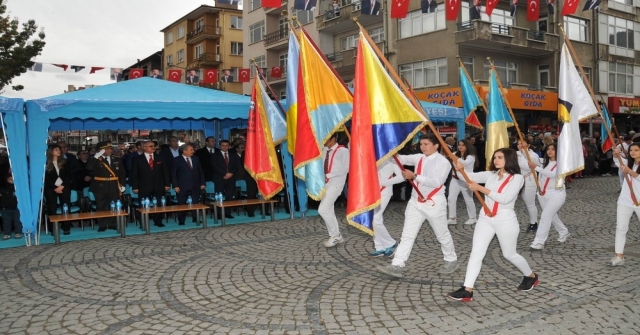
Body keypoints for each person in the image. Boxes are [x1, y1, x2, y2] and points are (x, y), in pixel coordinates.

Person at [447, 148, 538, 302]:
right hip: (485, 218)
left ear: (509, 159)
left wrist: (480, 188)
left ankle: (531, 276)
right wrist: (459, 168)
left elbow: (505, 198)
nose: (496, 160)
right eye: (495, 157)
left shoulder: (517, 178)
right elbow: (469, 177)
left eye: (500, 157)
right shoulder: (491, 175)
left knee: (509, 254)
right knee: (476, 253)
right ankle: (467, 289)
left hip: (505, 220)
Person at [377, 134, 458, 278]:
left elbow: (436, 182)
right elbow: (401, 159)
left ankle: (451, 259)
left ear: (436, 146)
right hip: (415, 201)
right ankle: (397, 264)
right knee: (407, 234)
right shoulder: (419, 157)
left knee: (442, 234)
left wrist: (414, 176)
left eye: (426, 144)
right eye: (421, 144)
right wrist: (389, 150)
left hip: (434, 202)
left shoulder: (443, 162)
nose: (423, 147)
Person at [528, 143, 570, 249]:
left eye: (553, 149)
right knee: (552, 216)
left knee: (545, 216)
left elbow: (551, 174)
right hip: (542, 193)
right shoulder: (544, 163)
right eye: (548, 149)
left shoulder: (562, 164)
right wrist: (525, 148)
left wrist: (536, 168)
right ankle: (563, 231)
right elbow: (529, 159)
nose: (549, 151)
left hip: (557, 194)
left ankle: (539, 242)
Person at [85, 141, 126, 232]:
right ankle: (102, 225)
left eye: (110, 148)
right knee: (101, 206)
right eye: (107, 149)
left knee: (114, 205)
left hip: (113, 185)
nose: (110, 150)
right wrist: (96, 156)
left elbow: (122, 173)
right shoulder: (94, 159)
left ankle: (113, 223)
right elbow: (89, 168)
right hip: (100, 186)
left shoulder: (116, 159)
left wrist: (122, 184)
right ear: (101, 150)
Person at [610, 143, 640, 266]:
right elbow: (619, 161)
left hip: (639, 201)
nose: (633, 152)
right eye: (631, 150)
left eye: (636, 150)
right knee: (621, 228)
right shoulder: (628, 163)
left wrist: (630, 172)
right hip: (625, 200)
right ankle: (619, 256)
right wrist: (616, 153)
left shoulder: (630, 167)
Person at [368, 158, 404, 257]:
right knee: (375, 219)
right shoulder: (372, 155)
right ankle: (380, 247)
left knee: (375, 219)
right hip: (371, 192)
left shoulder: (392, 158)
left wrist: (384, 183)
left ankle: (391, 243)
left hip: (384, 192)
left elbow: (402, 176)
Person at [130, 140, 170, 227]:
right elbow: (134, 174)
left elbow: (165, 172)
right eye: (150, 146)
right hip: (144, 186)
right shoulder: (137, 159)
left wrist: (167, 184)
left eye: (154, 146)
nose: (153, 147)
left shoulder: (160, 157)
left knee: (159, 203)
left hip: (158, 185)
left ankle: (158, 221)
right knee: (143, 204)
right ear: (144, 148)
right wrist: (135, 187)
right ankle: (143, 222)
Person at [319, 133, 349, 247]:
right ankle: (337, 235)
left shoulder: (343, 151)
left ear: (333, 138)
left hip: (336, 184)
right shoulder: (324, 150)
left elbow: (347, 167)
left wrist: (330, 174)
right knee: (329, 210)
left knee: (323, 209)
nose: (325, 140)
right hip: (324, 185)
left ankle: (335, 235)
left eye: (327, 138)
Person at [171, 144, 205, 225]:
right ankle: (181, 220)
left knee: (196, 202)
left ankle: (195, 217)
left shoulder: (196, 159)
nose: (193, 151)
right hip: (182, 185)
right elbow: (173, 174)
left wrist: (202, 183)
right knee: (182, 203)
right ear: (184, 151)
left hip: (195, 184)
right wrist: (175, 185)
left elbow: (200, 171)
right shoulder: (176, 160)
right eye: (191, 150)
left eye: (193, 149)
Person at [447, 139, 478, 226]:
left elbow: (463, 163)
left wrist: (453, 156)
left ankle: (473, 218)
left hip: (466, 180)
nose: (460, 146)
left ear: (467, 146)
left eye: (463, 145)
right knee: (451, 198)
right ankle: (452, 218)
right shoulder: (455, 154)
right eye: (459, 144)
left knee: (468, 199)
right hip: (455, 179)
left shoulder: (471, 157)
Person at [44, 144, 72, 235]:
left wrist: (62, 185)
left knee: (66, 206)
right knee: (52, 208)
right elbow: (46, 178)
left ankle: (66, 227)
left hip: (64, 186)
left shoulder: (65, 162)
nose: (59, 151)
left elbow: (68, 175)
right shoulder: (45, 163)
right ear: (51, 151)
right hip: (51, 188)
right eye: (56, 150)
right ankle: (53, 228)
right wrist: (55, 187)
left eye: (59, 150)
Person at [517, 138, 542, 232]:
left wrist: (524, 153)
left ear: (528, 145)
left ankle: (533, 223)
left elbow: (528, 166)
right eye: (518, 144)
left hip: (530, 180)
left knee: (530, 203)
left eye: (522, 143)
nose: (520, 145)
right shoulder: (517, 154)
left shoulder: (532, 154)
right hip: (519, 181)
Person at [212, 140, 240, 219]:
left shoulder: (233, 155)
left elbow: (236, 166)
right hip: (219, 179)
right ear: (219, 146)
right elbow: (215, 167)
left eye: (226, 145)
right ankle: (219, 214)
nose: (225, 147)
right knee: (219, 197)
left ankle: (228, 213)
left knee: (229, 197)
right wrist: (224, 174)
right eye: (223, 145)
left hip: (230, 179)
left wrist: (230, 174)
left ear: (229, 146)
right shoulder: (215, 155)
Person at [1, 174, 22, 240]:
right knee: (6, 222)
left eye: (13, 179)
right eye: (10, 179)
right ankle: (7, 233)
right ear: (7, 179)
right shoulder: (2, 188)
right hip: (5, 208)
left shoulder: (17, 187)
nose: (12, 181)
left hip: (16, 207)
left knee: (17, 221)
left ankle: (18, 232)